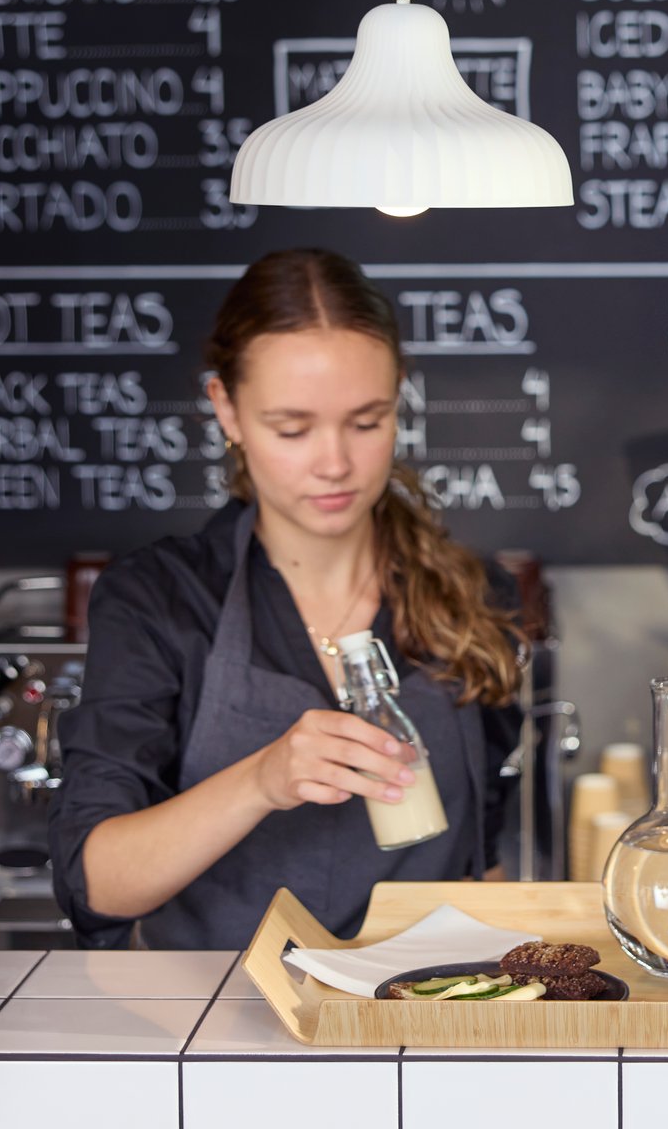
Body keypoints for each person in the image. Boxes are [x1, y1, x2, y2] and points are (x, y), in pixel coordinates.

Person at [50, 249, 524, 949]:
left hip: (423, 1006)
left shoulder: (474, 596)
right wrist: (263, 781)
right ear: (227, 410)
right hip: (212, 1022)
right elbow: (95, 885)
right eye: (292, 429)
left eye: (367, 422)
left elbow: (481, 859)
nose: (334, 463)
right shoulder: (162, 599)